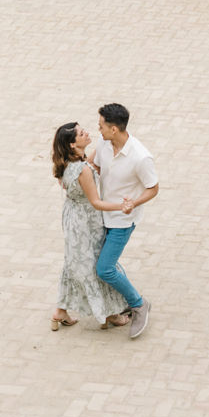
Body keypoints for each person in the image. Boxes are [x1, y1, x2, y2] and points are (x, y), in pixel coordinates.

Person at [50, 122, 132, 333]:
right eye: (81, 133)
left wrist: (105, 140)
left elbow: (90, 159)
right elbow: (95, 202)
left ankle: (60, 311)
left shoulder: (66, 163)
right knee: (97, 264)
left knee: (74, 262)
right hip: (87, 222)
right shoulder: (83, 170)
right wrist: (121, 207)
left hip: (72, 217)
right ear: (72, 144)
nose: (86, 132)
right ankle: (111, 314)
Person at [93, 102, 160, 339]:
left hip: (122, 220)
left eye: (101, 126)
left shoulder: (141, 157)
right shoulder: (103, 143)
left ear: (114, 129)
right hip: (101, 214)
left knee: (105, 268)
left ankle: (138, 305)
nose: (98, 130)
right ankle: (117, 304)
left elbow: (153, 188)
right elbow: (94, 166)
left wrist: (134, 203)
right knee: (104, 263)